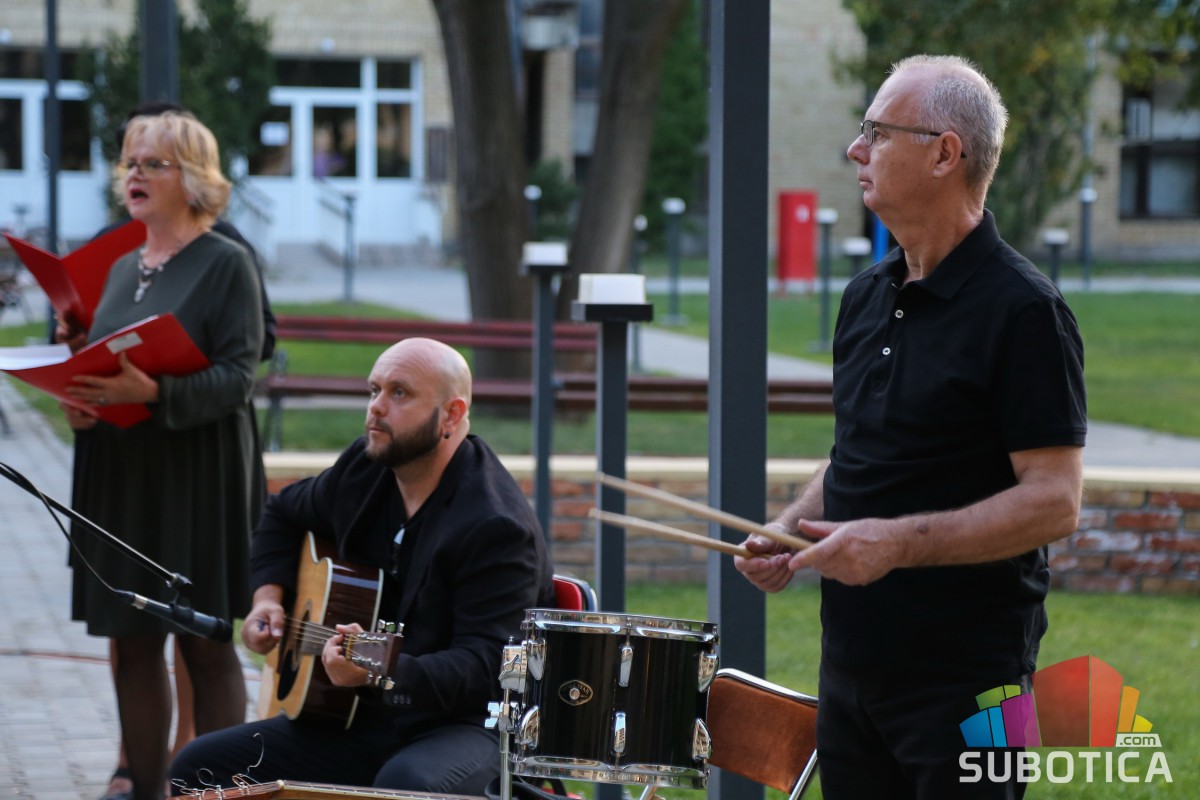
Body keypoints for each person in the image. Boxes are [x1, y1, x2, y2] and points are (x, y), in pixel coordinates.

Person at [735, 55, 1086, 799]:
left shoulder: (1026, 310)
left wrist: (896, 543)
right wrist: (791, 529)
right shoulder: (864, 295)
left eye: (876, 132)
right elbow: (856, 453)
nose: (855, 150)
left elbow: (1055, 501)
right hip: (851, 664)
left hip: (973, 676)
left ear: (944, 153)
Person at [170, 337, 556, 793]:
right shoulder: (365, 469)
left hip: (472, 726)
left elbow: (486, 667)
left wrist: (379, 668)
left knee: (403, 785)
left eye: (399, 393)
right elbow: (282, 513)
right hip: (361, 717)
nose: (376, 407)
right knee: (198, 767)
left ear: (451, 415)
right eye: (374, 390)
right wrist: (268, 598)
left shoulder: (495, 526)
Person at [60, 111, 265, 800]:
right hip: (121, 474)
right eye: (130, 162)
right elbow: (107, 365)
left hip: (196, 478)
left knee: (203, 643)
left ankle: (217, 792)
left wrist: (155, 392)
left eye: (154, 163)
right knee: (132, 643)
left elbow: (238, 377)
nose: (135, 175)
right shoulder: (123, 267)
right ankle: (146, 789)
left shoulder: (228, 262)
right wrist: (83, 404)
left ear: (195, 177)